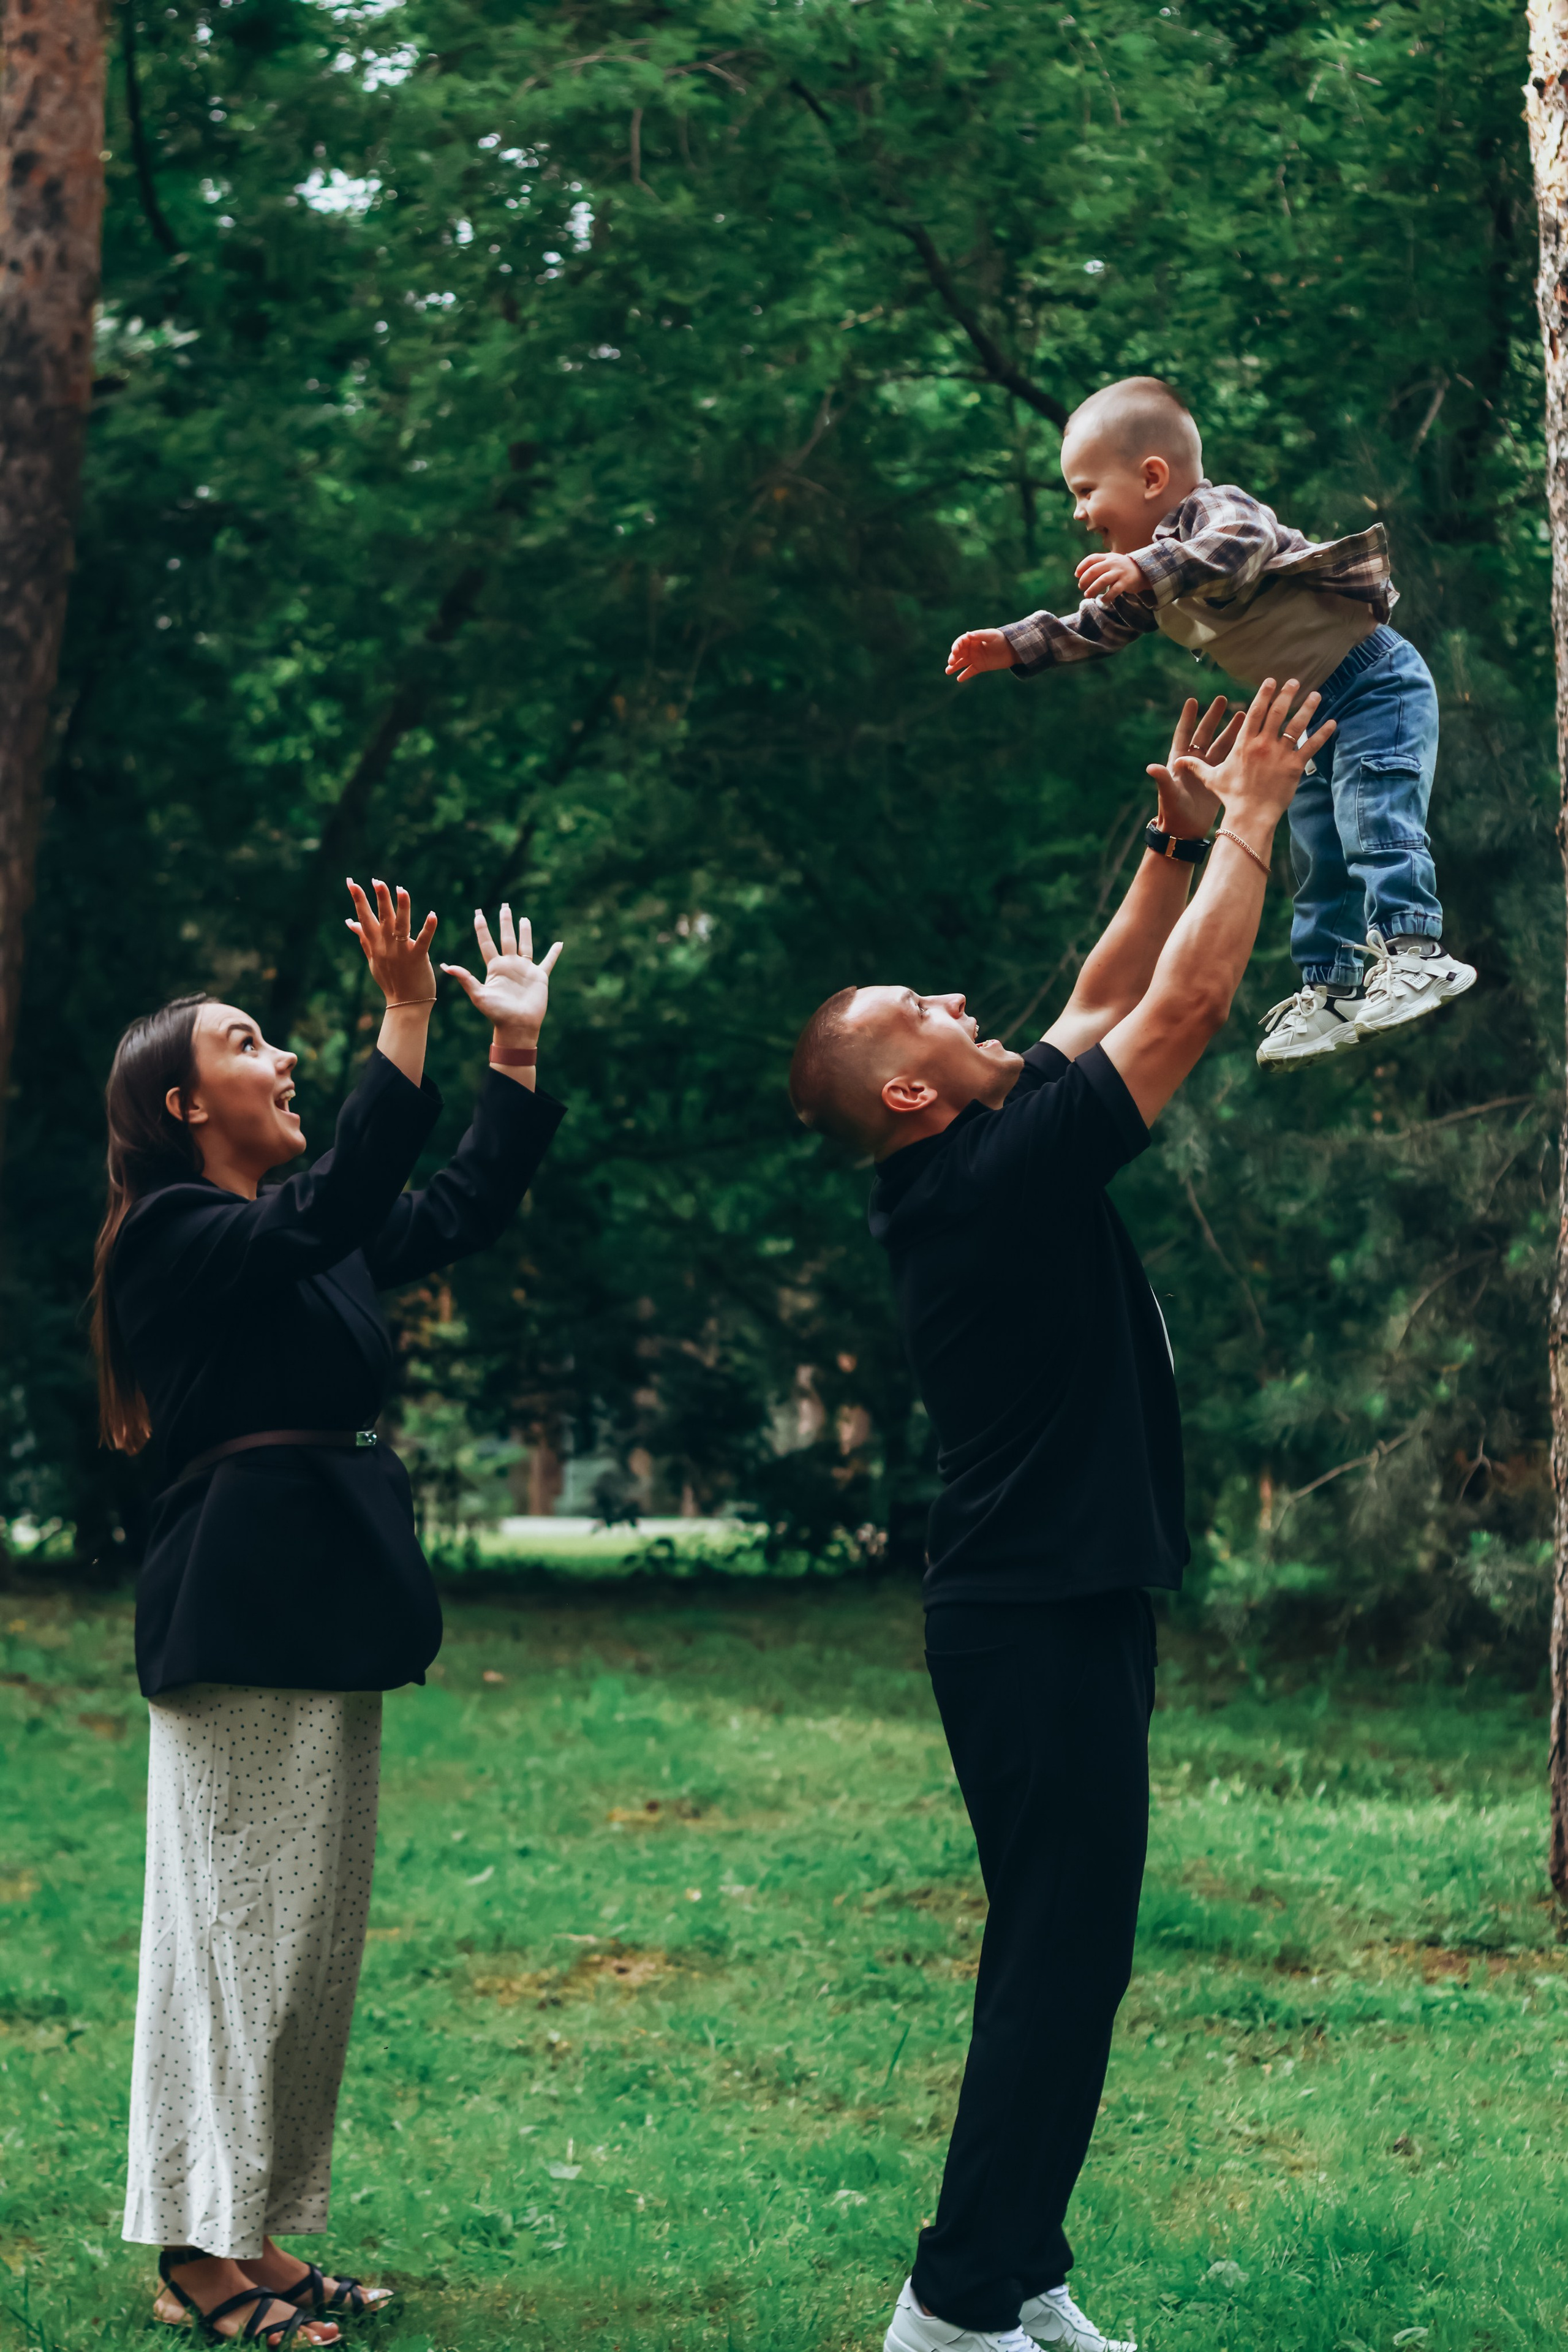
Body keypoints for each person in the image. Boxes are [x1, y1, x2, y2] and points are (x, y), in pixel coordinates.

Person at [788, 682, 1334, 2352]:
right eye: (924, 1009)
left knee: (1068, 1957)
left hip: (1055, 1602)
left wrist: (1171, 841)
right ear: (907, 1092)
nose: (960, 1000)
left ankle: (1014, 2268)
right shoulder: (986, 1183)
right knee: (1055, 1959)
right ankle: (952, 2309)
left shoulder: (975, 1147)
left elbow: (1102, 994)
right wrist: (1254, 817)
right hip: (1031, 1619)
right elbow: (1182, 1010)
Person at [91, 881, 565, 2347]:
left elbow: (457, 1206)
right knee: (234, 1942)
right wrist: (406, 1017)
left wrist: (513, 1053)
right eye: (247, 1043)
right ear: (183, 1105)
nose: (282, 1055)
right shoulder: (172, 1232)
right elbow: (347, 1198)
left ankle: (254, 2229)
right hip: (240, 1614)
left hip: (328, 1603)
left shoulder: (303, 1234)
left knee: (300, 1949)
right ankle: (195, 2252)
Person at [945, 375, 1474, 1070]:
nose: (1078, 513)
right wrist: (1014, 645)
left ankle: (1415, 951)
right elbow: (1093, 627)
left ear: (1151, 478)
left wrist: (1144, 566)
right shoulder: (1149, 582)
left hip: (1375, 684)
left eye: (1085, 491)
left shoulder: (1213, 512)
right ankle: (1333, 989)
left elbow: (1243, 544)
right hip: (1309, 717)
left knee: (1373, 815)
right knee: (1318, 850)